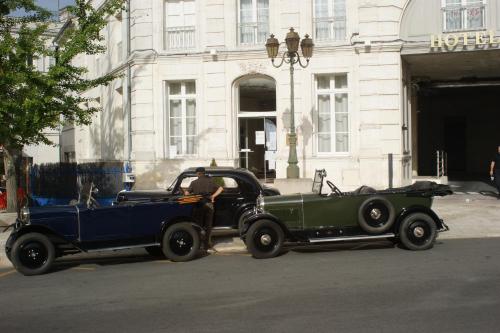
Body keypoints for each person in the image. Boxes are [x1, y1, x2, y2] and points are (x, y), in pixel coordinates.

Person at [183, 167, 223, 250]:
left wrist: (188, 194)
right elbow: (221, 188)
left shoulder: (194, 183)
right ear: (204, 173)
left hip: (198, 205)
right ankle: (207, 244)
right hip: (209, 204)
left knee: (199, 225)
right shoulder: (210, 181)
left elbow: (186, 193)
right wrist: (213, 196)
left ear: (198, 174)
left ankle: (199, 244)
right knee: (208, 225)